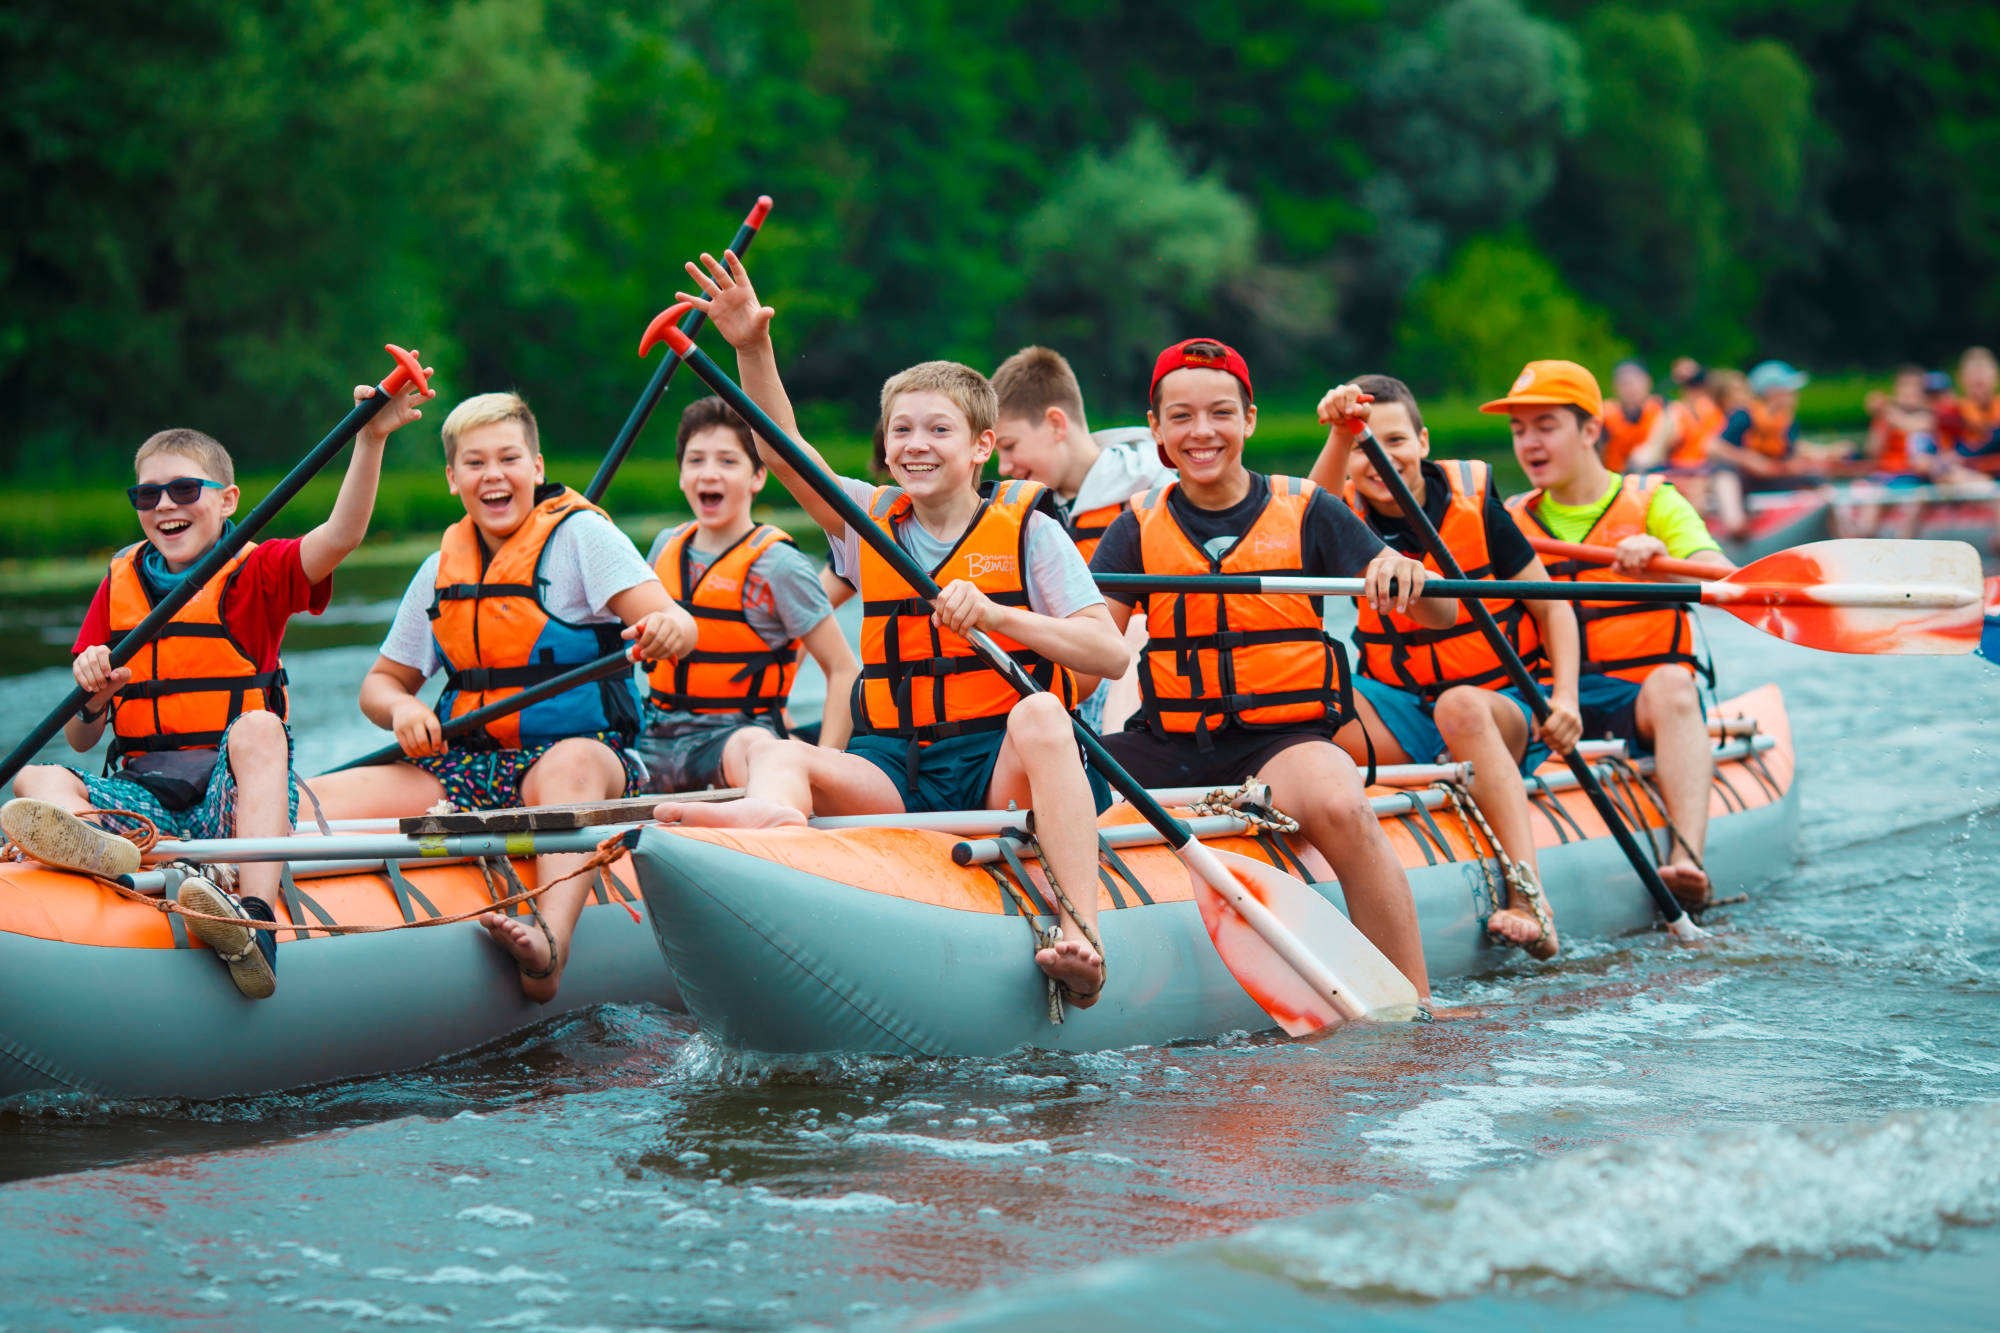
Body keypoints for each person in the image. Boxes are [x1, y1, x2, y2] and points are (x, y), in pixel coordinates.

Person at [653, 250, 1131, 1006]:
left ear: (981, 447)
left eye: (938, 429)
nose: (915, 442)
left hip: (992, 771)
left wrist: (1003, 614)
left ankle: (1085, 938)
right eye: (901, 428)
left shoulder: (1029, 530)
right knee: (785, 751)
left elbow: (1107, 653)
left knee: (1042, 709)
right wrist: (751, 345)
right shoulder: (868, 523)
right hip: (894, 766)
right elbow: (783, 452)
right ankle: (776, 815)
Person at [1, 373, 432, 998]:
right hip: (143, 800)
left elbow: (341, 537)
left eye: (183, 489)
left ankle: (254, 922)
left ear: (227, 499)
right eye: (147, 495)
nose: (165, 506)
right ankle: (117, 852)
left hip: (228, 800)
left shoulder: (258, 572)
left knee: (260, 725)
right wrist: (91, 692)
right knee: (36, 779)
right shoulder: (118, 583)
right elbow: (80, 736)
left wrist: (369, 441)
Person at [1087, 338, 1452, 1002]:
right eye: (1182, 417)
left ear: (1250, 419)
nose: (1202, 432)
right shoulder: (1134, 525)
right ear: (1156, 428)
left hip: (1282, 742)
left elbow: (1441, 617)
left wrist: (1409, 574)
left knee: (1342, 802)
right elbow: (1089, 657)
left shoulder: (1309, 508)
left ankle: (1416, 1003)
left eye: (1221, 413)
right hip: (1168, 740)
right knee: (1068, 785)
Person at [303, 392, 697, 1002]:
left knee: (567, 764)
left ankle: (549, 948)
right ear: (453, 478)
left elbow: (677, 626)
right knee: (311, 799)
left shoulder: (583, 537)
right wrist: (404, 709)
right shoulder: (439, 567)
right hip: (467, 769)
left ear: (536, 468)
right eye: (476, 463)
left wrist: (669, 628)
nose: (494, 475)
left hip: (583, 757)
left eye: (509, 458)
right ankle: (241, 901)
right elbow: (380, 686)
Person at [1309, 374, 1582, 960]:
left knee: (1461, 703)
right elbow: (1303, 512)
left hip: (1497, 706)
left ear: (1424, 442)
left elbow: (1552, 605)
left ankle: (1530, 897)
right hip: (1401, 707)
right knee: (1306, 697)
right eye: (1363, 446)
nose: (1380, 458)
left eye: (1396, 441)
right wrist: (1338, 434)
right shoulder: (1341, 511)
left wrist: (1566, 699)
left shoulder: (1474, 502)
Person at [1489, 360, 1732, 908]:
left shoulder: (1654, 501)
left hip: (1640, 698)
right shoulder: (1508, 518)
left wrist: (1664, 561)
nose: (1530, 443)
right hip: (1550, 701)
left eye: (1546, 426)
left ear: (1591, 430)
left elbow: (1720, 575)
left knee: (1674, 684)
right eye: (1519, 430)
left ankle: (1688, 857)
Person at [636, 396, 859, 790]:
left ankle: (781, 807)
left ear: (758, 477)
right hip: (655, 733)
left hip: (738, 735)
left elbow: (844, 670)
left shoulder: (779, 565)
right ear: (681, 475)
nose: (709, 474)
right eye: (696, 460)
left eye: (727, 461)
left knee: (755, 745)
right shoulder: (663, 547)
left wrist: (826, 767)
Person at [990, 345, 1170, 734]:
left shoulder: (1158, 490)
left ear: (1056, 424)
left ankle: (1120, 772)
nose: (1003, 467)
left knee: (1135, 630)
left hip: (1143, 675)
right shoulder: (1018, 514)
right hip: (1058, 679)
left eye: (1009, 446)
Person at [1599, 360, 1665, 473]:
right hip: (1616, 478)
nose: (1631, 388)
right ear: (1615, 386)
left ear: (1648, 382)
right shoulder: (1605, 416)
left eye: (1635, 382)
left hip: (1655, 476)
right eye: (1625, 383)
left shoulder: (1661, 410)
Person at [1940, 347, 2000, 467]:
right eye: (1973, 374)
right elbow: (1946, 457)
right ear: (1961, 379)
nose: (1978, 379)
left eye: (1983, 373)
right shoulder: (1950, 412)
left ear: (1996, 377)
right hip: (1965, 473)